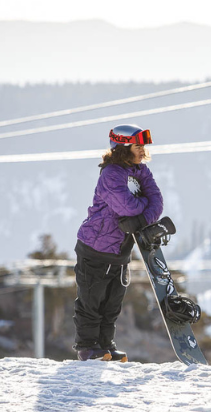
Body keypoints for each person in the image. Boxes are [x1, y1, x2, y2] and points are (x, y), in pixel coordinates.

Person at [73, 124, 163, 361]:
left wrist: (140, 216)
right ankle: (88, 347)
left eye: (143, 146)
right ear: (123, 148)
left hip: (120, 251)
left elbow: (158, 201)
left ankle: (105, 345)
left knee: (112, 304)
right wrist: (144, 207)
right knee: (91, 301)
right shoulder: (111, 175)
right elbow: (127, 207)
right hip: (96, 249)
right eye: (138, 146)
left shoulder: (140, 171)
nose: (142, 150)